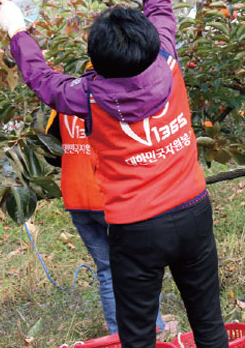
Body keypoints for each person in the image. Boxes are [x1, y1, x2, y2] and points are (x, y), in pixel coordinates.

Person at [0, 0, 229, 348]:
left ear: (95, 62)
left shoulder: (87, 97)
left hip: (136, 227)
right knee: (208, 322)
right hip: (193, 208)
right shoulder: (168, 60)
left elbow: (43, 80)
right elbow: (159, 3)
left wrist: (17, 31)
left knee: (137, 335)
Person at [43, 107, 171, 339]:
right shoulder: (112, 94)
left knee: (107, 270)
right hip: (112, 195)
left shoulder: (63, 97)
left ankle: (119, 336)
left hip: (77, 195)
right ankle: (153, 330)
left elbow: (50, 152)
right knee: (143, 265)